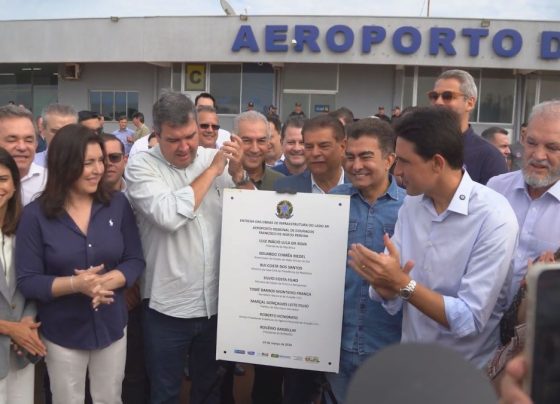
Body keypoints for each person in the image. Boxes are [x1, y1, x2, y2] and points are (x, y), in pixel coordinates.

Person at [349, 107, 518, 368]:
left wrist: (403, 285)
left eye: (405, 162)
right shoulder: (413, 204)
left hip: (463, 374)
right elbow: (394, 285)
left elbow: (470, 318)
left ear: (437, 163)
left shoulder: (493, 216)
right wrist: (384, 286)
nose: (397, 172)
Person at [125, 91, 249, 404]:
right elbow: (169, 216)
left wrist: (240, 174)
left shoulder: (215, 159)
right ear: (157, 135)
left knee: (208, 390)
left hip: (215, 305)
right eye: (173, 140)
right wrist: (213, 171)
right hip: (167, 308)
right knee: (165, 391)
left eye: (191, 136)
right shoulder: (141, 167)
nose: (185, 147)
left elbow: (251, 217)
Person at [16, 124, 145, 404]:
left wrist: (109, 280)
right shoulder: (35, 216)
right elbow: (27, 280)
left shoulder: (117, 204)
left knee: (110, 397)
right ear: (64, 164)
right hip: (62, 330)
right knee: (66, 399)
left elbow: (135, 259)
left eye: (101, 160)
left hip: (112, 325)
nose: (98, 169)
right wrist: (76, 284)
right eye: (88, 163)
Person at [327, 118, 405, 403]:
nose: (356, 165)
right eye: (350, 157)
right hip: (335, 345)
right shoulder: (331, 202)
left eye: (366, 157)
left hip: (388, 345)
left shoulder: (411, 209)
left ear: (390, 160)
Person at [0, 148, 46, 404]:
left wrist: (27, 321)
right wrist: (10, 329)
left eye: (3, 179)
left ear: (15, 185)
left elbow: (32, 281)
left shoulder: (24, 229)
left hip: (20, 352)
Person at [428, 69, 508, 184]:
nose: (438, 102)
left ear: (470, 103)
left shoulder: (489, 157)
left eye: (447, 96)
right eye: (434, 96)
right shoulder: (419, 145)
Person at [274, 114, 346, 194]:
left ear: (342, 147)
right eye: (309, 146)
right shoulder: (283, 187)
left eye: (323, 146)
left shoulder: (358, 187)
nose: (315, 153)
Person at [0, 105, 46, 205]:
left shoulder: (50, 183)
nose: (22, 147)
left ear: (36, 145)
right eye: (12, 140)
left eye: (29, 140)